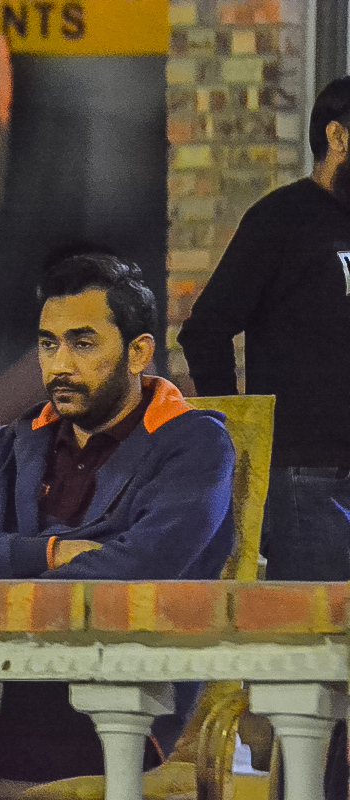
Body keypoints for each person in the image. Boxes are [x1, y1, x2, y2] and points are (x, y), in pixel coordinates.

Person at [0, 254, 235, 796]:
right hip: (3, 677)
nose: (59, 365)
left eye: (82, 343)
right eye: (48, 344)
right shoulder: (16, 442)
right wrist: (50, 553)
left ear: (138, 352)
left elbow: (135, 571)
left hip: (118, 700)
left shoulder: (194, 444)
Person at [179, 75, 350, 582]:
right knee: (314, 624)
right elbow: (205, 330)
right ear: (338, 136)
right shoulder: (280, 219)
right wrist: (239, 437)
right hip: (306, 473)